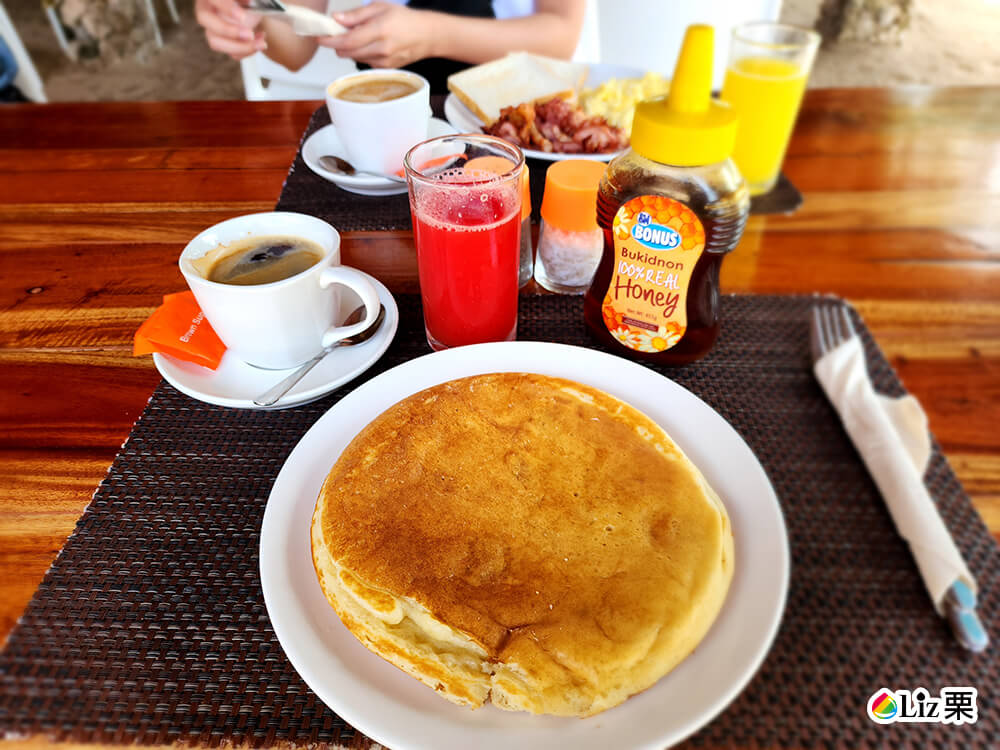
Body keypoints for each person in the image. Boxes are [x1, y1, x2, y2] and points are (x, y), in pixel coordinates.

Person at [195, 0, 585, 93]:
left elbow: (560, 37)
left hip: (520, 114)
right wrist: (250, 13)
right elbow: (295, 49)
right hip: (388, 117)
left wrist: (433, 35)